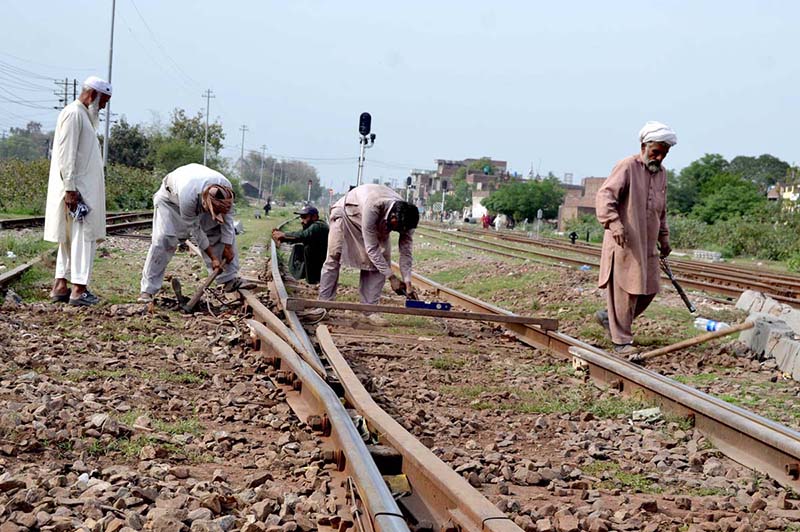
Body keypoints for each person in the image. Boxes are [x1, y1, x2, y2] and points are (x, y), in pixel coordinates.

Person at [595, 121, 677, 354]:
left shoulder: (661, 174)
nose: (659, 157)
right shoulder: (627, 166)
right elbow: (605, 196)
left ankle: (609, 319)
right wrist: (614, 223)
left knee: (650, 288)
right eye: (655, 152)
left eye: (664, 153)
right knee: (624, 292)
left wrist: (665, 238)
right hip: (625, 241)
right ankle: (621, 341)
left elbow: (661, 210)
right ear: (644, 146)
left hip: (648, 242)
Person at [138, 163, 253, 303]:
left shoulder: (226, 191)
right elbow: (196, 231)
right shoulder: (188, 195)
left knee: (216, 231)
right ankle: (147, 291)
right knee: (164, 240)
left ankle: (228, 279)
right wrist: (213, 258)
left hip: (198, 197)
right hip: (170, 201)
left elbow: (228, 222)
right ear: (205, 202)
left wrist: (228, 247)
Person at [43, 76, 112, 306]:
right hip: (78, 192)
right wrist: (71, 189)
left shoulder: (82, 115)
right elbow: (66, 154)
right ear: (93, 95)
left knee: (70, 239)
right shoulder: (74, 114)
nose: (103, 107)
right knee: (83, 238)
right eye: (103, 101)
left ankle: (61, 286)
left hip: (78, 190)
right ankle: (79, 290)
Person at [319, 184, 419, 326]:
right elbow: (371, 248)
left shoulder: (407, 220)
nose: (397, 232)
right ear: (394, 218)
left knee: (382, 261)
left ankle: (369, 310)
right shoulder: (374, 205)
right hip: (348, 215)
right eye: (396, 229)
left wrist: (407, 282)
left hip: (375, 225)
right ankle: (323, 305)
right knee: (334, 255)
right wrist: (391, 277)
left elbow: (406, 253)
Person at [271, 205, 329, 284]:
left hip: (322, 260)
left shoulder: (318, 226)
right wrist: (283, 238)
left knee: (306, 249)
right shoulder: (315, 225)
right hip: (320, 259)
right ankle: (305, 277)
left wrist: (284, 235)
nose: (302, 220)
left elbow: (302, 236)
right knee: (298, 248)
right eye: (301, 217)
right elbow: (300, 236)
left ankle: (313, 279)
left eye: (305, 217)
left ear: (314, 217)